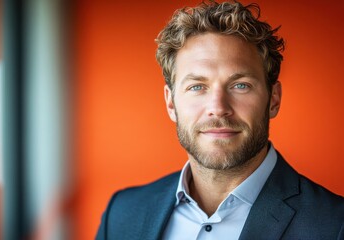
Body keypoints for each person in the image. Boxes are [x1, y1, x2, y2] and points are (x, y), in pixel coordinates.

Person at [96, 1, 344, 239]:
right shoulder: (121, 214)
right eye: (197, 87)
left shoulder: (335, 225)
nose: (218, 108)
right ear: (170, 103)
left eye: (240, 85)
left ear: (274, 99)